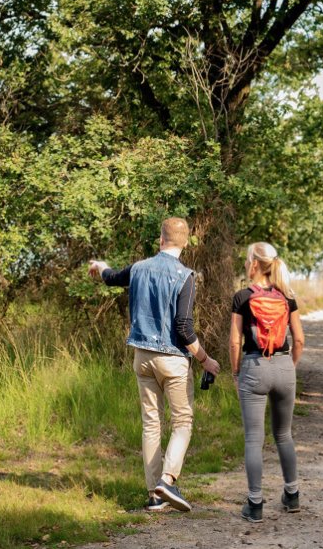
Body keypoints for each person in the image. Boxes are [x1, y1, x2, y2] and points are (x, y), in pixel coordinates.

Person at [89, 217, 220, 512]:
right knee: (182, 422)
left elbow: (111, 278)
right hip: (173, 360)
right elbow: (184, 328)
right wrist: (205, 360)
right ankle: (168, 480)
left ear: (160, 240)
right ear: (185, 243)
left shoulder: (138, 268)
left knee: (151, 423)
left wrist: (100, 266)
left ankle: (154, 495)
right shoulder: (185, 276)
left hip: (142, 357)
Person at [229, 242, 305, 523]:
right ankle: (292, 495)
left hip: (254, 367)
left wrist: (236, 373)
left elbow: (235, 341)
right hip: (284, 367)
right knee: (284, 434)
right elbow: (299, 339)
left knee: (253, 438)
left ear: (254, 263)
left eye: (246, 259)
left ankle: (255, 504)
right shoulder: (287, 296)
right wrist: (289, 366)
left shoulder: (242, 297)